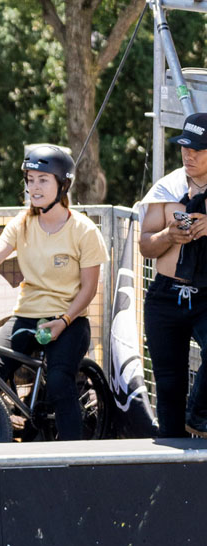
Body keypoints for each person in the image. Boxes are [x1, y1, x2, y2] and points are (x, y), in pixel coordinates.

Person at [0, 144, 107, 441]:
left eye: (43, 180)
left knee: (59, 382)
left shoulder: (84, 230)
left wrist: (65, 320)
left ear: (62, 184)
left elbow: (89, 288)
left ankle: (74, 458)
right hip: (26, 316)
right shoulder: (22, 223)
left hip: (69, 320)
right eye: (29, 179)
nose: (34, 187)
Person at [138, 113, 207, 438]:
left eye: (198, 149)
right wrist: (168, 236)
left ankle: (199, 415)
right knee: (167, 385)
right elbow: (145, 246)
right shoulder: (168, 186)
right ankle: (170, 465)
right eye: (184, 147)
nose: (188, 155)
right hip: (166, 296)